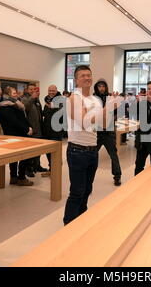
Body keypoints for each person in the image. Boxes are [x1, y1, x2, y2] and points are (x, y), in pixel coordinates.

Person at [63, 65, 122, 225]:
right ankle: (68, 225)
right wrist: (108, 107)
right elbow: (83, 123)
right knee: (77, 192)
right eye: (82, 75)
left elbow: (103, 123)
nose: (87, 78)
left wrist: (111, 108)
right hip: (77, 151)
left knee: (87, 190)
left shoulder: (95, 100)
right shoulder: (74, 99)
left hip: (92, 150)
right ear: (76, 80)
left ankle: (81, 220)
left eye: (89, 75)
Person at [0, 87, 33, 186]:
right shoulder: (5, 106)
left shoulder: (16, 104)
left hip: (20, 134)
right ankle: (20, 177)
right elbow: (14, 122)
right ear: (8, 94)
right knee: (20, 157)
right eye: (14, 93)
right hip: (15, 135)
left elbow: (22, 118)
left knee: (18, 157)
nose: (16, 94)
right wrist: (26, 129)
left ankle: (14, 177)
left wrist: (29, 126)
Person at [93, 79, 122, 186]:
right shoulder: (93, 98)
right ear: (96, 87)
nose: (101, 88)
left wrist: (110, 117)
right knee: (92, 155)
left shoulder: (110, 98)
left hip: (109, 132)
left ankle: (117, 176)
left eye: (103, 86)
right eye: (99, 86)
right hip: (97, 132)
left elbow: (117, 112)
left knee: (113, 155)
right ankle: (89, 176)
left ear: (106, 87)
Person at [21, 83, 48, 177]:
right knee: (30, 151)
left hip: (38, 128)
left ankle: (37, 165)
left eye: (34, 89)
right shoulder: (24, 99)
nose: (33, 91)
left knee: (38, 150)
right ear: (27, 90)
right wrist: (32, 98)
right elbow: (25, 108)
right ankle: (28, 169)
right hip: (31, 129)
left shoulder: (36, 99)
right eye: (31, 89)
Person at [42, 85, 64, 176]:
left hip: (56, 131)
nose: (51, 92)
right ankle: (51, 169)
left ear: (56, 91)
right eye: (49, 90)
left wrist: (52, 107)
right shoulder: (47, 101)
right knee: (48, 151)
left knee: (56, 152)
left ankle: (55, 171)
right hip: (47, 131)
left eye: (53, 90)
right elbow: (46, 114)